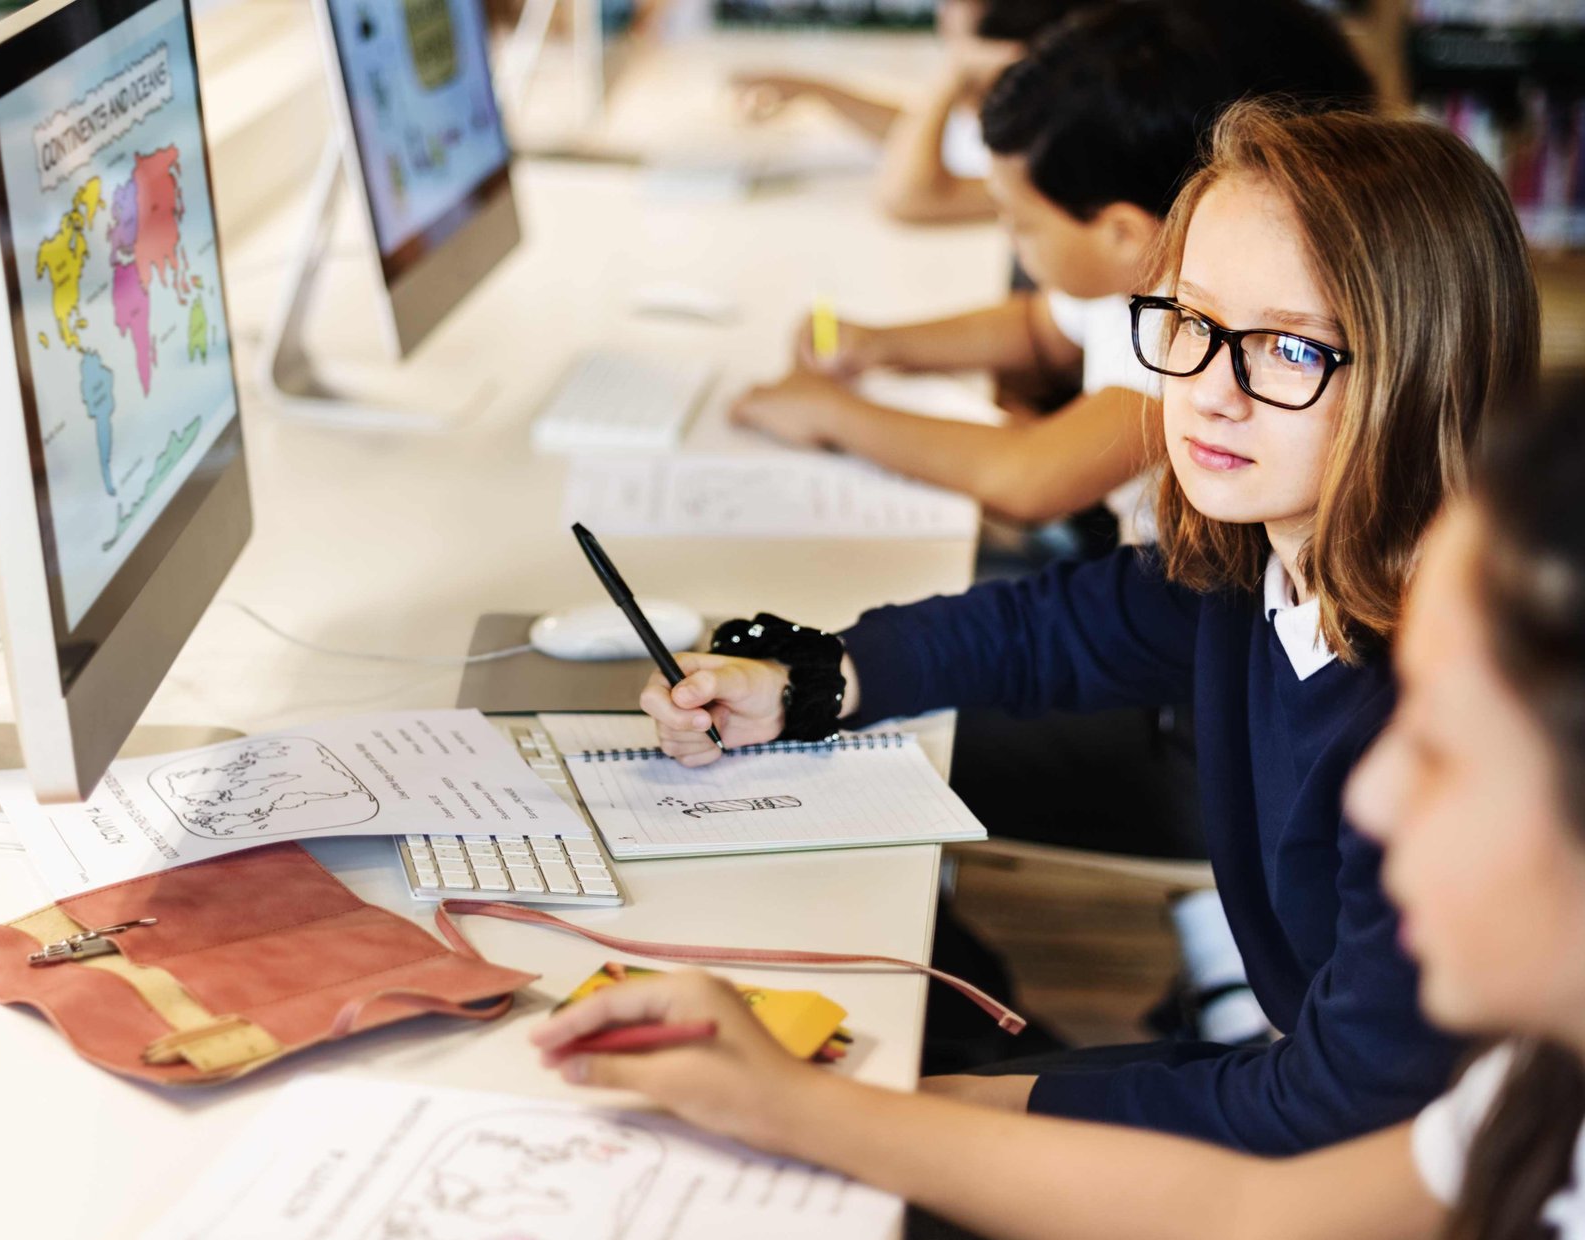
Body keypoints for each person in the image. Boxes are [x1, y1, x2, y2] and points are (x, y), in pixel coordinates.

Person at [607, 101, 1543, 1154]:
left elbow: (1336, 1115)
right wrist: (811, 680)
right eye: (1189, 323)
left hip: (1381, 1172)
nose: (1206, 392)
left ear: (1424, 371)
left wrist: (914, 1115)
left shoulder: (1448, 721)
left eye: (1287, 348)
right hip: (1300, 1100)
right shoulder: (1260, 570)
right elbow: (1043, 630)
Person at [531, 379, 1585, 1240]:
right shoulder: (1534, 1091)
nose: (1372, 789)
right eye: (1184, 323)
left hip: (1292, 1107)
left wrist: (873, 1113)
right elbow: (1254, 1213)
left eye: (1441, 745)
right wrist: (813, 1108)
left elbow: (1299, 1142)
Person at [730, 0, 1373, 539]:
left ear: (1123, 233)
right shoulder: (1143, 256)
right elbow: (1040, 329)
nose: (1012, 240)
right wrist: (880, 344)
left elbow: (1027, 480)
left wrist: (832, 414)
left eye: (1022, 226)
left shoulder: (1193, 333)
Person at [732, 0, 1088, 225]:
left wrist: (954, 71)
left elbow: (905, 196)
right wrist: (814, 90)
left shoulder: (1041, 132)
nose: (941, 10)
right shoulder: (1003, 97)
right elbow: (921, 135)